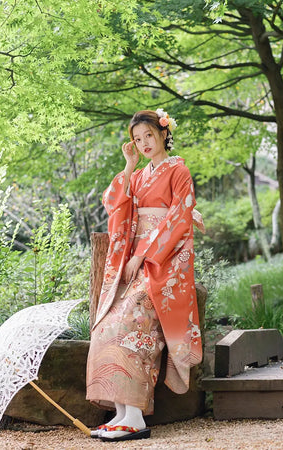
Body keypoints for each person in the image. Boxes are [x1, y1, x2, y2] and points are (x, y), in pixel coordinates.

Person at [86, 109, 204, 442]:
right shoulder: (138, 176)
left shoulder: (178, 171)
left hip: (160, 263)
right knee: (106, 325)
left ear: (164, 133)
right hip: (135, 262)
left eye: (148, 136)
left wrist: (142, 256)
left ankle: (136, 416)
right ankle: (121, 414)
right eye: (137, 140)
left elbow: (179, 220)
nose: (143, 143)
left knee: (131, 322)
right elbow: (116, 206)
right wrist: (127, 165)